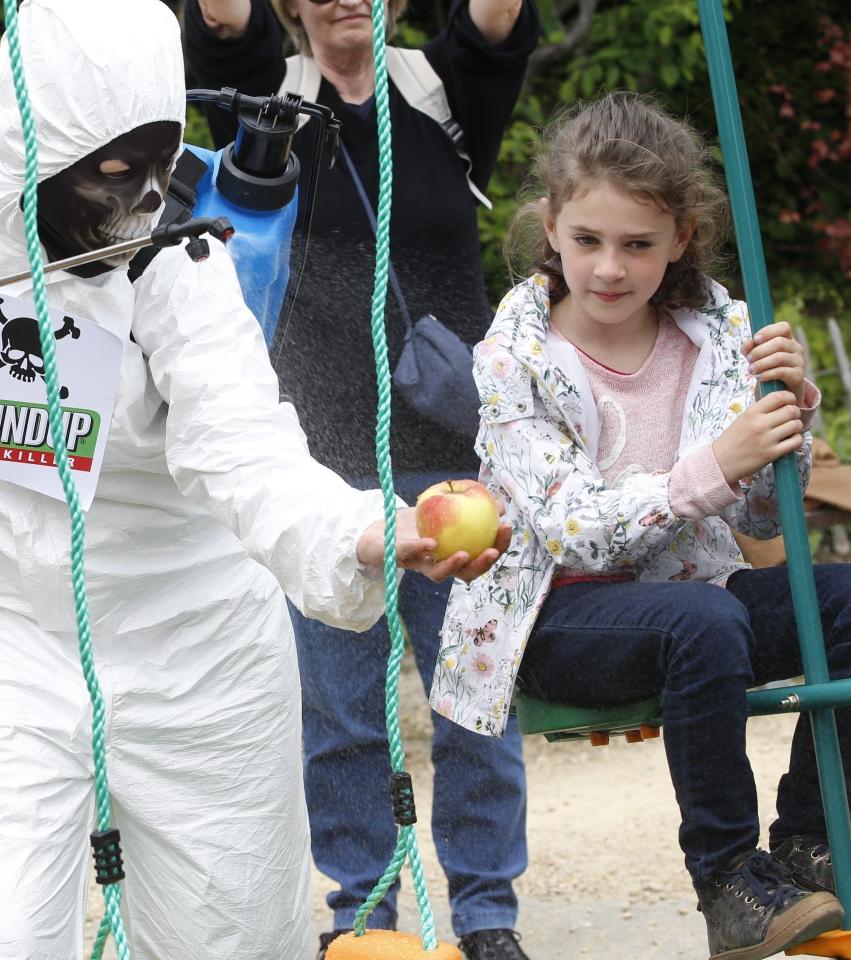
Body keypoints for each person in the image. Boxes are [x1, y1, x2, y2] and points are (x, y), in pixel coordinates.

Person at [0, 0, 509, 955]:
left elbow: (246, 449)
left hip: (196, 649)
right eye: (107, 171)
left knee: (231, 944)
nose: (135, 200)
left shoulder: (179, 258)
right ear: (30, 145)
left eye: (157, 164)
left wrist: (367, 530)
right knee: (0, 940)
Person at [435, 91, 851, 960]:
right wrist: (718, 462)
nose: (610, 268)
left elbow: (750, 510)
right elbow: (572, 532)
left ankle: (810, 838)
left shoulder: (716, 335)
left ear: (678, 240)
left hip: (697, 599)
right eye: (589, 240)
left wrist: (790, 419)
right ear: (552, 228)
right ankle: (727, 879)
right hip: (559, 619)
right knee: (703, 620)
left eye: (638, 245)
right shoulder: (512, 362)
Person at [182, 1, 539, 956]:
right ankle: (362, 912)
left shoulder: (442, 92)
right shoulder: (267, 103)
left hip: (453, 459)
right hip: (319, 470)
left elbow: (497, 26)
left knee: (474, 700)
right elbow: (222, 25)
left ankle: (487, 915)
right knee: (340, 713)